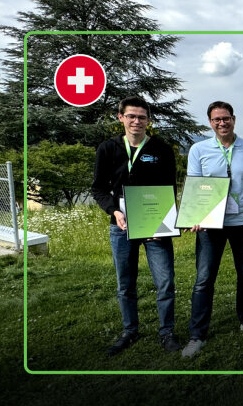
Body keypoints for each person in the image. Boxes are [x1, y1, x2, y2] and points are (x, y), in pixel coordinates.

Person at [92, 95, 180, 356]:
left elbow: (168, 190)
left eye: (142, 117)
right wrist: (114, 211)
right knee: (125, 283)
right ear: (121, 118)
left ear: (148, 120)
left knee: (165, 281)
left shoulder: (162, 149)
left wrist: (161, 225)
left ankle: (167, 332)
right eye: (131, 116)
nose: (136, 121)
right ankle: (130, 331)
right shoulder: (107, 148)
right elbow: (98, 188)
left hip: (155, 226)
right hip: (121, 225)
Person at [181, 101, 243, 358]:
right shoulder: (199, 150)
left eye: (226, 118)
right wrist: (196, 215)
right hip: (210, 225)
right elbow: (196, 185)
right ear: (210, 122)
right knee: (204, 279)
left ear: (234, 119)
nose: (222, 123)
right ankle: (197, 335)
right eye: (217, 119)